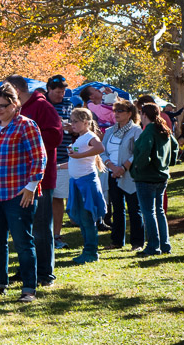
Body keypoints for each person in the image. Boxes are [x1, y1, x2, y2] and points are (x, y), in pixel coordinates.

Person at [0, 82, 46, 302]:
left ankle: (29, 288)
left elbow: (39, 158)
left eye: (2, 106)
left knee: (23, 242)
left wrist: (31, 187)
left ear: (15, 104)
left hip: (19, 194)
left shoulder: (26, 125)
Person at [7, 75, 62, 286]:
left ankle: (45, 274)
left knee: (40, 228)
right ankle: (26, 269)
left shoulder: (42, 106)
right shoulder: (17, 109)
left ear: (17, 91)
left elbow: (56, 137)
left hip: (40, 179)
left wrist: (26, 141)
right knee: (23, 229)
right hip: (16, 178)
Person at [131, 104, 178, 256]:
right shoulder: (163, 129)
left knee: (149, 212)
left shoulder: (149, 131)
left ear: (144, 114)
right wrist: (168, 163)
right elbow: (175, 146)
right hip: (161, 176)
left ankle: (153, 246)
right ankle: (164, 245)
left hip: (147, 177)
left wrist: (137, 167)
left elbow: (145, 151)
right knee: (159, 211)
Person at [101, 100, 144, 251]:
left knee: (134, 209)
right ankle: (117, 241)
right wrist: (112, 167)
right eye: (115, 111)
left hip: (130, 175)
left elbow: (137, 152)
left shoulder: (136, 130)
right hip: (112, 174)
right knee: (117, 209)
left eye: (121, 111)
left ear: (130, 114)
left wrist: (123, 168)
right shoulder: (109, 131)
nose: (117, 114)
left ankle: (137, 243)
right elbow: (102, 151)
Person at [66, 108, 106, 264]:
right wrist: (56, 166)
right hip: (77, 182)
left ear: (86, 122)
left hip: (86, 183)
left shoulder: (90, 136)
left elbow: (100, 148)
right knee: (82, 220)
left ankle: (91, 252)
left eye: (75, 121)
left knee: (87, 219)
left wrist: (78, 155)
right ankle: (87, 250)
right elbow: (73, 158)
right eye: (72, 120)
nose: (72, 124)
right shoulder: (80, 138)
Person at [45, 75, 74, 249]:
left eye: (63, 92)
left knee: (58, 198)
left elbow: (79, 125)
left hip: (63, 157)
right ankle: (41, 234)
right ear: (49, 90)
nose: (60, 95)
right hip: (44, 158)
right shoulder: (43, 105)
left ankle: (56, 235)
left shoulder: (68, 105)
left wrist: (72, 127)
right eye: (57, 92)